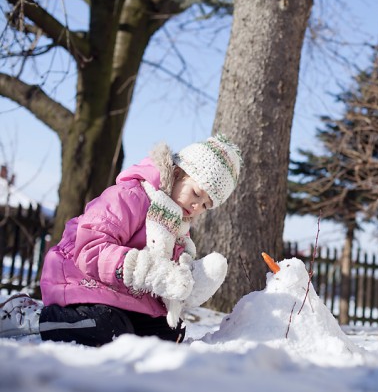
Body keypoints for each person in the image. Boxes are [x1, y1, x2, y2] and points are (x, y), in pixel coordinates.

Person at [0, 134, 243, 346]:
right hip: (79, 277)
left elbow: (167, 273)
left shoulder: (177, 226)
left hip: (123, 294)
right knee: (107, 327)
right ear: (178, 173)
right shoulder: (131, 196)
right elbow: (90, 249)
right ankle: (32, 317)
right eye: (196, 193)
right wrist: (145, 269)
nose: (196, 206)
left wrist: (186, 282)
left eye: (206, 205)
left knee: (169, 333)